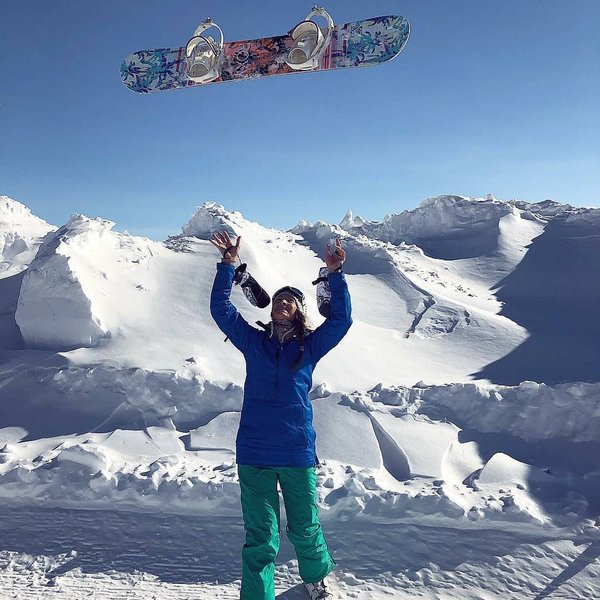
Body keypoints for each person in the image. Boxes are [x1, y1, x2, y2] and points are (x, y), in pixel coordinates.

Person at [209, 231, 352, 600]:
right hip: (254, 452)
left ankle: (316, 579)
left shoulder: (309, 348)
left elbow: (340, 322)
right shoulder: (254, 343)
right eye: (278, 299)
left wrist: (335, 275)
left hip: (296, 452)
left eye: (290, 300)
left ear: (299, 311)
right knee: (260, 536)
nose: (282, 302)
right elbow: (222, 311)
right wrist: (227, 265)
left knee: (305, 527)